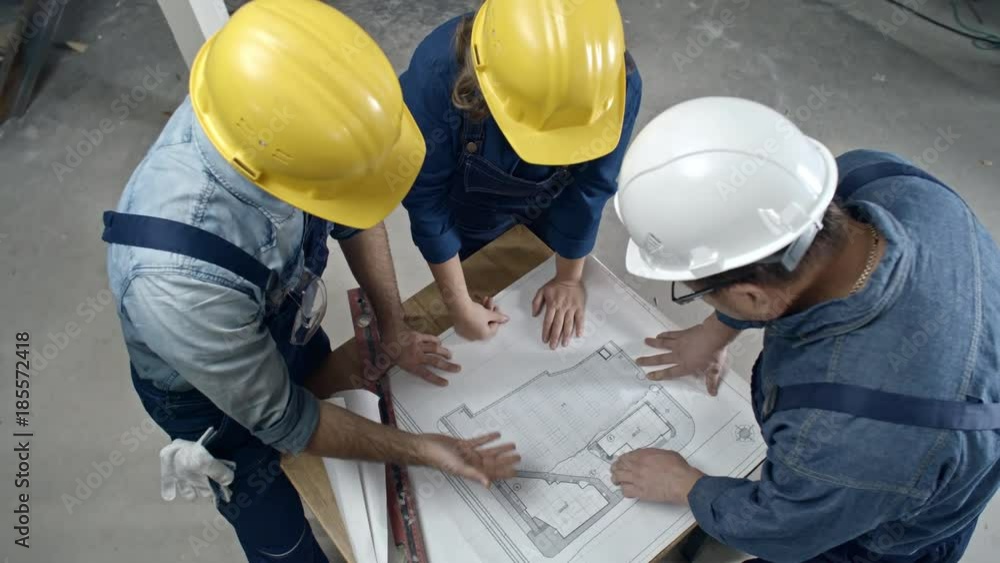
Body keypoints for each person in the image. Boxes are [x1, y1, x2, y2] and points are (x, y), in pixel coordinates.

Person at [103, 2, 518, 562]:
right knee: (274, 520)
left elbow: (354, 202)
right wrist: (426, 450)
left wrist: (393, 328)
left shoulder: (277, 112)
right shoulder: (176, 284)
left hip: (283, 318)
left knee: (331, 433)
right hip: (209, 400)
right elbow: (287, 421)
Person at [609, 97, 1000, 562]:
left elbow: (781, 529)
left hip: (891, 531)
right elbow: (782, 250)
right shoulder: (882, 180)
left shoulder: (841, 439)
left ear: (752, 296)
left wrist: (687, 486)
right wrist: (719, 329)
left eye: (699, 292)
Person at [399, 0, 643, 353]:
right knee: (481, 279)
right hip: (471, 213)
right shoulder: (437, 76)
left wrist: (569, 279)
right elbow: (426, 199)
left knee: (535, 267)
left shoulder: (616, 87)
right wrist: (458, 303)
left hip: (556, 201)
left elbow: (591, 188)